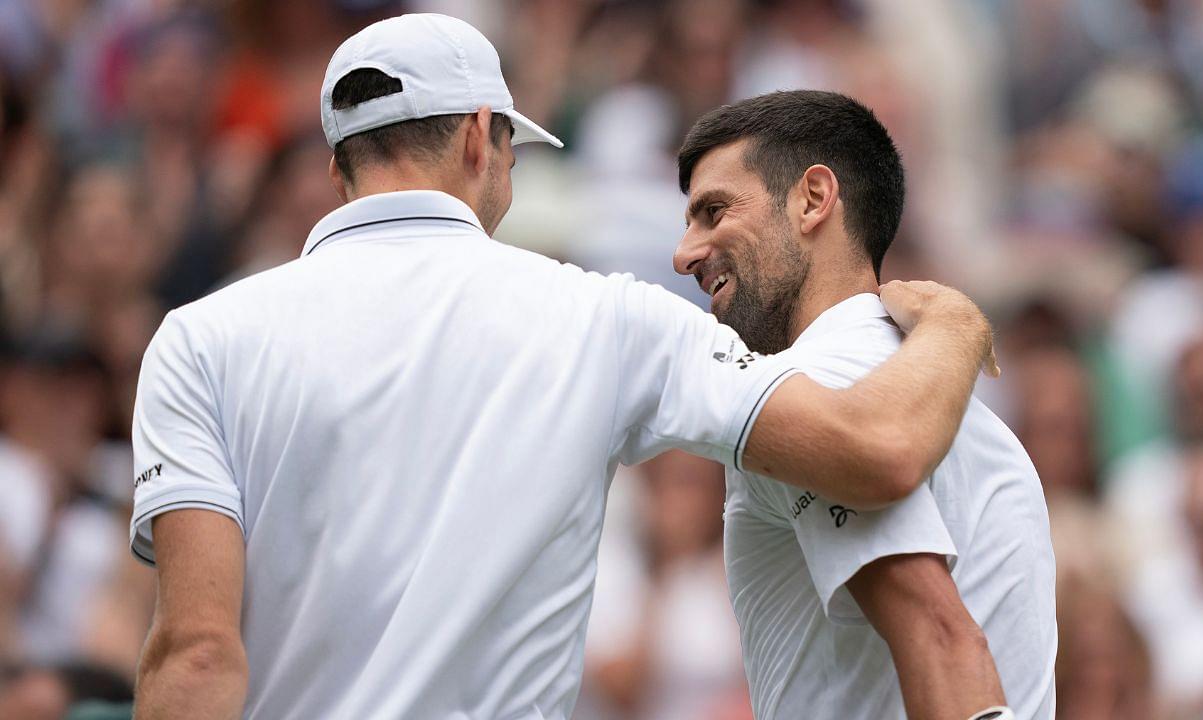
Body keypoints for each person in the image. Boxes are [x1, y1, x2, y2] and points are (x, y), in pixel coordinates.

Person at [129, 15, 996, 720]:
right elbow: (882, 449)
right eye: (511, 149)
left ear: (337, 166)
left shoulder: (198, 340)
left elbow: (196, 655)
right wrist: (955, 322)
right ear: (481, 138)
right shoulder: (603, 317)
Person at [673, 90, 1056, 720]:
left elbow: (940, 636)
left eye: (714, 211)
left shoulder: (810, 388)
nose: (683, 253)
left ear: (814, 199)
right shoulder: (964, 404)